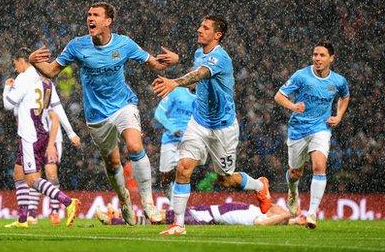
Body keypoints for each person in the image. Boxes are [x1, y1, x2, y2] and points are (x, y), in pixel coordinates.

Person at [29, 2, 176, 225]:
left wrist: (173, 61)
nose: (90, 18)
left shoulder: (124, 44)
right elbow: (50, 71)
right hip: (96, 115)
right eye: (88, 15)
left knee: (135, 146)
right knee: (112, 163)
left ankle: (148, 202)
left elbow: (154, 64)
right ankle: (124, 199)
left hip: (123, 105)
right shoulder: (77, 46)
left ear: (108, 21)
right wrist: (34, 62)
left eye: (96, 15)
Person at [152, 15, 272, 236]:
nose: (199, 29)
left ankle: (259, 186)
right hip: (198, 122)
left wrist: (174, 82)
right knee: (183, 168)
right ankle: (178, 224)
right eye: (200, 25)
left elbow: (201, 73)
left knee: (226, 179)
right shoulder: (200, 52)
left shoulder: (222, 58)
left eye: (205, 28)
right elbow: (197, 67)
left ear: (217, 35)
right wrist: (178, 60)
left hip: (223, 127)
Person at [274, 41, 350, 229]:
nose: (317, 58)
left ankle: (312, 213)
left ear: (331, 58)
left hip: (321, 129)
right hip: (298, 129)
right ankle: (293, 191)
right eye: (315, 54)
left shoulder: (338, 81)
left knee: (319, 165)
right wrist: (293, 106)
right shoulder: (301, 76)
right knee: (295, 172)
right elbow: (279, 96)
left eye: (322, 55)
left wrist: (338, 116)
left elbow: (345, 96)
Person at [3, 48, 80, 228]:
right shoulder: (47, 82)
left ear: (22, 61)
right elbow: (58, 109)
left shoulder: (23, 78)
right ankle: (23, 219)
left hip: (30, 136)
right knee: (18, 173)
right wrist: (71, 133)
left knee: (32, 180)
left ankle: (69, 202)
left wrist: (7, 86)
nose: (15, 68)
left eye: (15, 64)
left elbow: (8, 105)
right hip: (41, 133)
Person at [95, 201, 299, 227]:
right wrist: (297, 220)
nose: (278, 207)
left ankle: (114, 220)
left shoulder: (262, 218)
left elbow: (264, 224)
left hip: (207, 217)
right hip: (207, 211)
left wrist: (288, 214)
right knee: (164, 215)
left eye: (280, 209)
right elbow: (283, 221)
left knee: (163, 217)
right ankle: (115, 217)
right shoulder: (262, 211)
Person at [154, 86, 196, 203]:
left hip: (188, 141)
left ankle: (178, 207)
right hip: (170, 140)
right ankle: (173, 203)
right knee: (165, 177)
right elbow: (159, 113)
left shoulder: (203, 98)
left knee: (182, 171)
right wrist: (173, 129)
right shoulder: (176, 92)